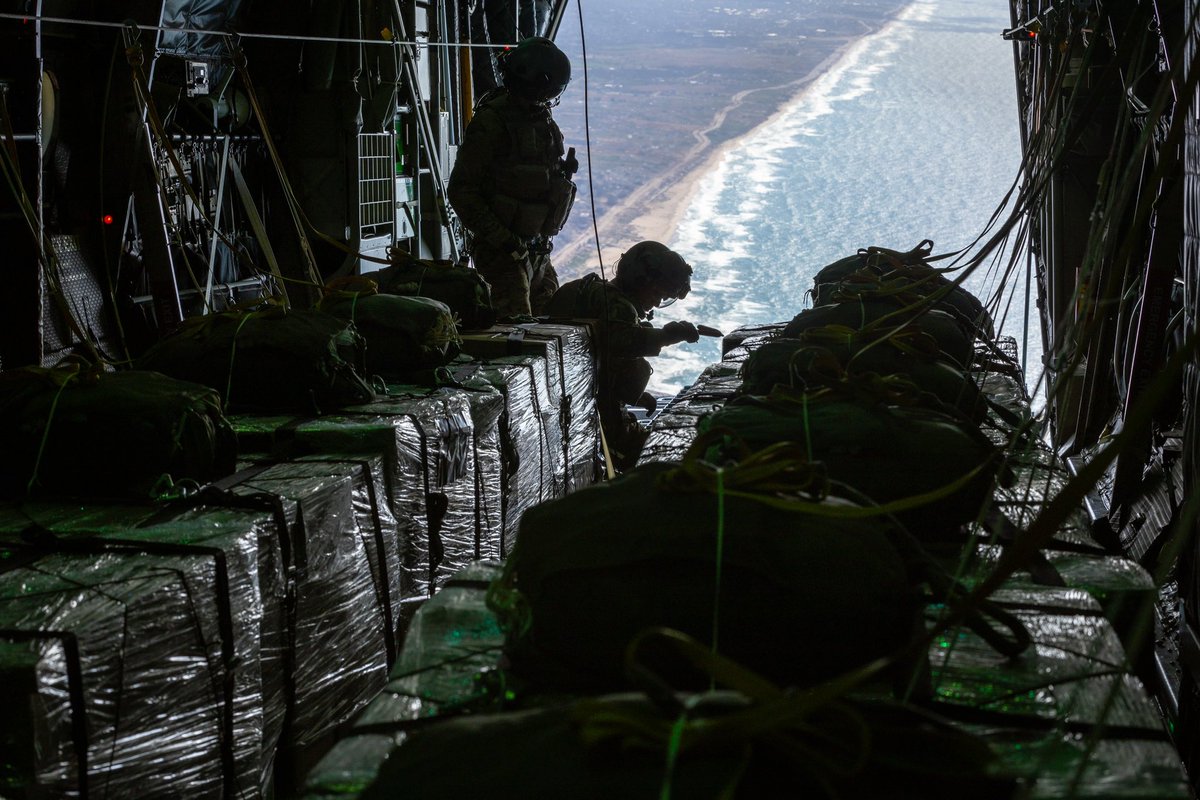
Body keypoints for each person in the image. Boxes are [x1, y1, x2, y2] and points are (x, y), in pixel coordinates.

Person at [448, 36, 577, 319]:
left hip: (537, 250)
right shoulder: (492, 122)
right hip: (504, 256)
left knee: (553, 325)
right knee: (516, 337)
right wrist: (504, 240)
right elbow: (462, 191)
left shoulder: (542, 121)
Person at [545, 241, 701, 471]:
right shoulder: (616, 307)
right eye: (657, 292)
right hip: (592, 413)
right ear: (638, 279)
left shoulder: (589, 290)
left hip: (573, 401)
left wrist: (637, 395)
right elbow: (626, 341)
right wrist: (668, 336)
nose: (657, 302)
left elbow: (603, 360)